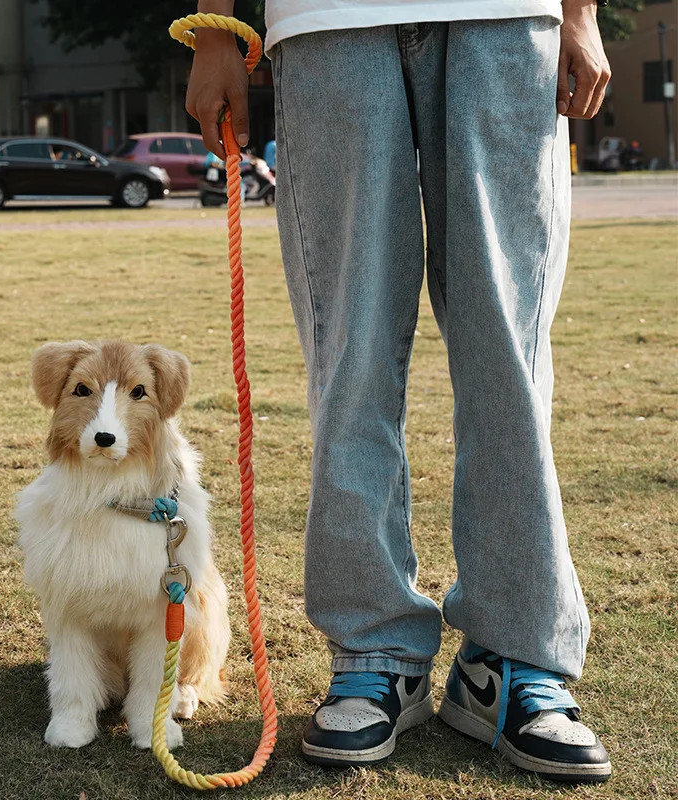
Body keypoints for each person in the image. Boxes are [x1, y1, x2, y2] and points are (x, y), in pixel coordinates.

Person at [185, 0, 612, 784]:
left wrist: (579, 11)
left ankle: (511, 660)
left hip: (506, 14)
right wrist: (214, 28)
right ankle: (374, 650)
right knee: (351, 349)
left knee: (507, 354)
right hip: (326, 21)